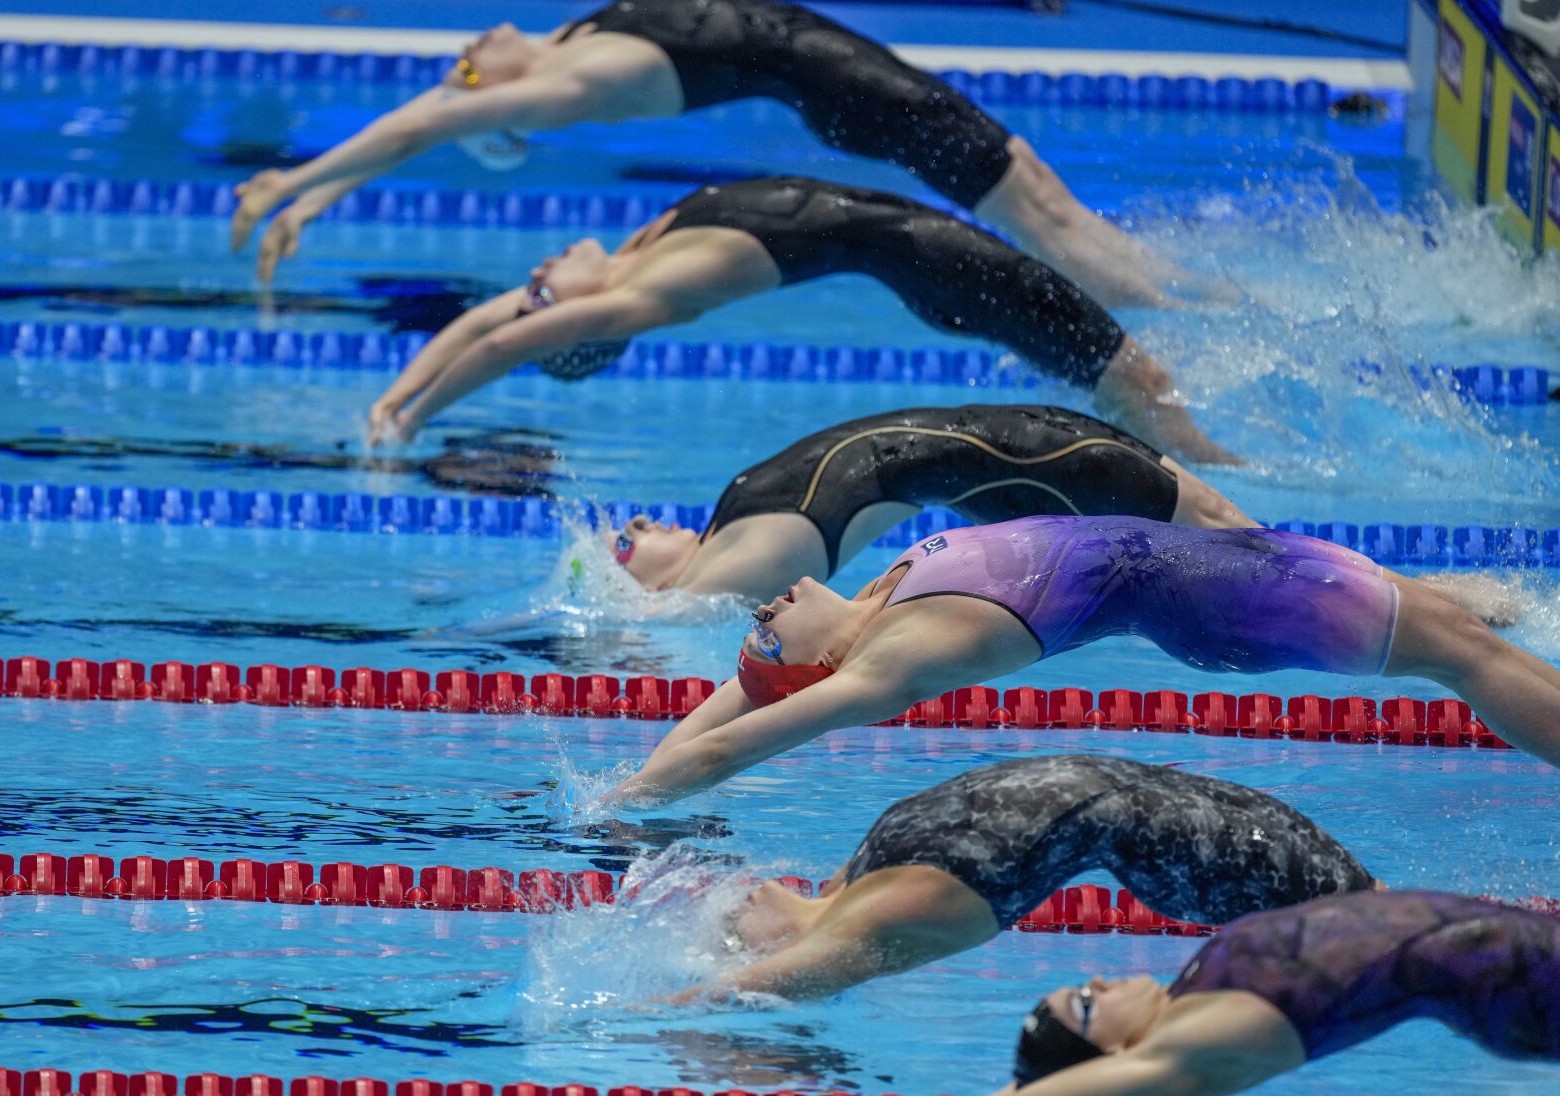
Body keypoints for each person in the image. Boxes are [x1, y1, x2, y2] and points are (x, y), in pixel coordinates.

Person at [228, 0, 1198, 307]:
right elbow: (427, 120)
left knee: (1048, 206)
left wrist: (315, 199)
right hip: (859, 94)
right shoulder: (572, 83)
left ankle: (1191, 299)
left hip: (846, 81)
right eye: (468, 75)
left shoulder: (564, 51)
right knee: (1047, 212)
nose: (463, 56)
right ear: (506, 108)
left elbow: (427, 116)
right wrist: (293, 178)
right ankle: (1191, 309)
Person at [605, 517, 1560, 806]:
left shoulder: (861, 605)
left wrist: (649, 752)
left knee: (1467, 626)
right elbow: (733, 745)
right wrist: (625, 802)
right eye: (769, 636)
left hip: (1214, 563)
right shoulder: (889, 662)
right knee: (1466, 657)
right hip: (1220, 596)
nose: (764, 609)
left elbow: (734, 699)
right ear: (813, 670)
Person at [360, 178, 1235, 464]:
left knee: (1133, 385)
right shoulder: (649, 293)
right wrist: (414, 419)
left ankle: (1216, 437)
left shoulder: (637, 249)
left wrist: (394, 392)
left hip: (937, 262)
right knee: (1144, 387)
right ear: (583, 319)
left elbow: (497, 321)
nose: (533, 275)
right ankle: (1247, 472)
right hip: (950, 268)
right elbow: (513, 338)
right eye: (544, 291)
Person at [603, 402, 1518, 625]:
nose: (634, 528)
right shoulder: (742, 546)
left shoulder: (735, 536)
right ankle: (1441, 601)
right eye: (621, 547)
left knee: (1255, 555)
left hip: (1046, 457)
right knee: (1252, 551)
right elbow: (685, 611)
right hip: (1045, 459)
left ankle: (1440, 601)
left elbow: (665, 615)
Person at [681, 755, 1375, 1002]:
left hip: (1157, 796)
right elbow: (724, 994)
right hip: (1171, 839)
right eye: (728, 928)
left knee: (1372, 905)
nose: (729, 901)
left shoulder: (845, 886)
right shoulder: (871, 925)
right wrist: (619, 1018)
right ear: (772, 952)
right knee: (1367, 915)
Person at [930, 890, 1560, 1096]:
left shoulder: (1195, 991)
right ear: (1113, 1058)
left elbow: (1016, 1093)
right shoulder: (1196, 1046)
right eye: (1088, 1006)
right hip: (1525, 984)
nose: (1097, 979)